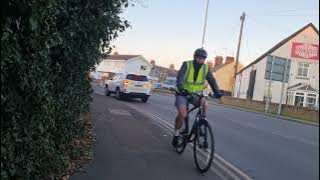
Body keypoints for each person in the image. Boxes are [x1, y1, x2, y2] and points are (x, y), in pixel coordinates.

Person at [172, 48, 223, 148]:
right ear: (195, 57)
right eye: (198, 58)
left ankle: (201, 123)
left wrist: (217, 92)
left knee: (205, 104)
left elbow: (212, 80)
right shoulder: (187, 65)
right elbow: (180, 77)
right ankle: (176, 135)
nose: (200, 60)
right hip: (182, 94)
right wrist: (181, 88)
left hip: (195, 95)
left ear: (204, 59)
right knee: (182, 114)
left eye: (202, 59)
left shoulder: (205, 68)